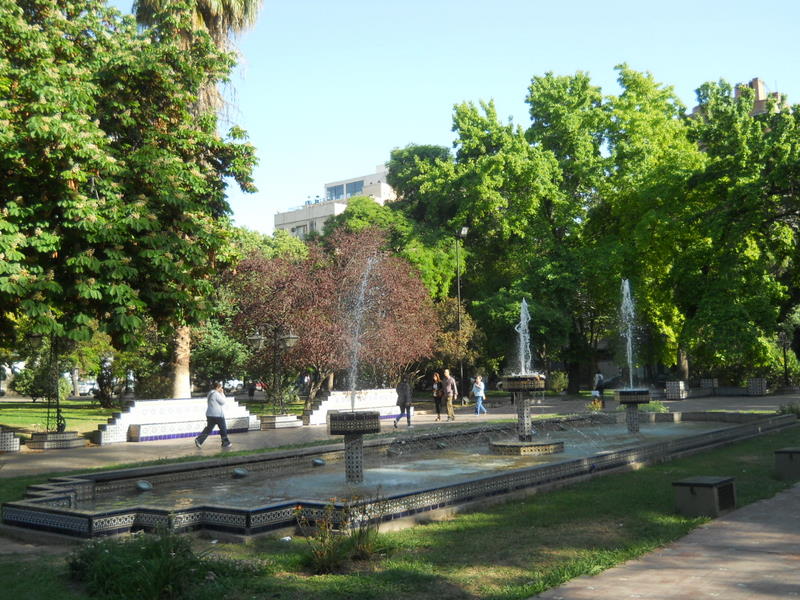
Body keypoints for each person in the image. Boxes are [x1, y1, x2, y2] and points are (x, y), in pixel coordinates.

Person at [195, 382, 232, 448]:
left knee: (208, 429)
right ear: (217, 387)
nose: (221, 389)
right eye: (220, 387)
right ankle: (225, 443)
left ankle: (199, 440)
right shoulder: (216, 394)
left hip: (209, 414)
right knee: (223, 429)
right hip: (217, 415)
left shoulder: (210, 393)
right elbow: (223, 402)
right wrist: (222, 393)